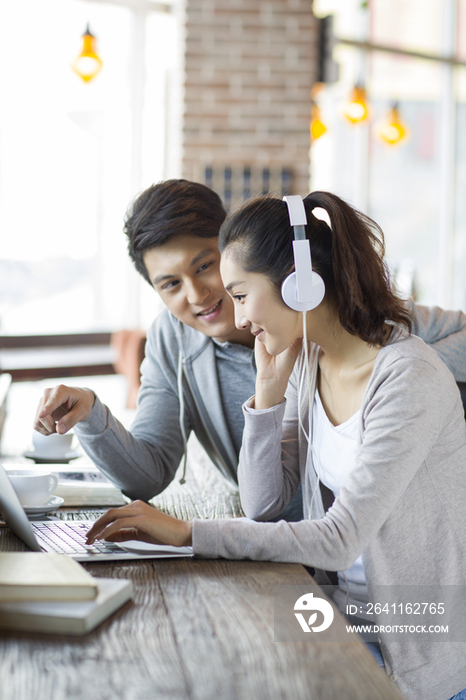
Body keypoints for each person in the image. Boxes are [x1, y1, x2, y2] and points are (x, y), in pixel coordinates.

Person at [84, 192, 466, 700]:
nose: (238, 319)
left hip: (413, 640)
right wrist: (266, 397)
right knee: (202, 652)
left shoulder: (407, 376)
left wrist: (187, 534)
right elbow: (263, 505)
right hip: (337, 610)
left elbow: (339, 539)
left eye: (241, 294)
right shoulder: (309, 359)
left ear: (301, 282)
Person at [34, 179, 466, 518]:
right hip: (282, 544)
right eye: (170, 284)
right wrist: (90, 414)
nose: (198, 294)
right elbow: (149, 474)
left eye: (204, 266)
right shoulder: (174, 339)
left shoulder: (337, 312)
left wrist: (379, 383)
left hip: (357, 546)